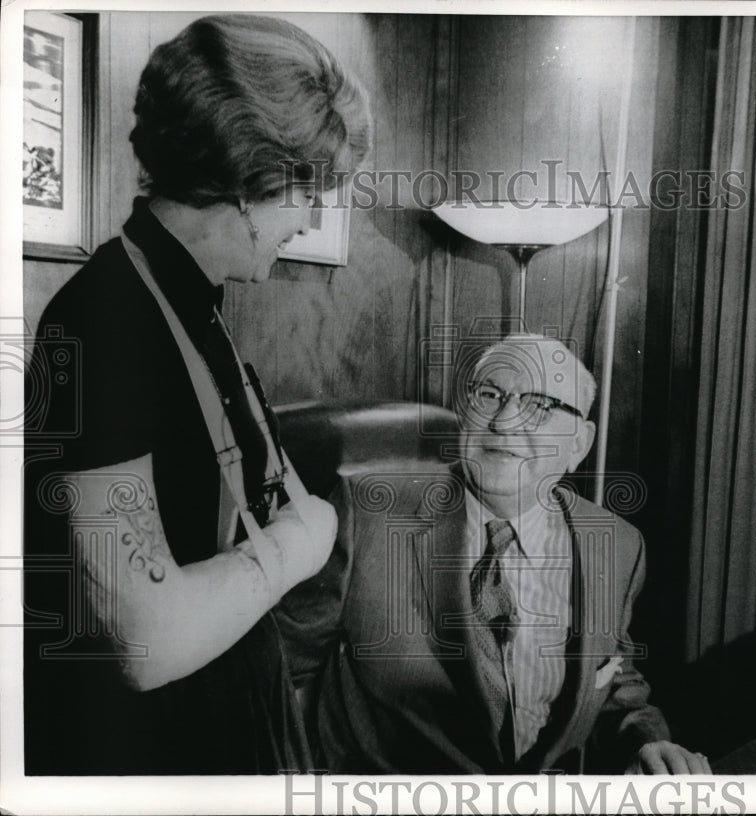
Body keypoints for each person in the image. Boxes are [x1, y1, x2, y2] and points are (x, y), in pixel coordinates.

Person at [23, 14, 370, 774]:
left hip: (228, 720)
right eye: (308, 192)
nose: (311, 218)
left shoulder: (194, 302)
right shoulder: (101, 318)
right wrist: (295, 545)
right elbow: (150, 640)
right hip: (147, 754)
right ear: (250, 178)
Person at [278, 334, 711, 774]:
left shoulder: (617, 545)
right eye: (490, 394)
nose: (504, 421)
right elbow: (280, 674)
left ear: (578, 444)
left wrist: (646, 743)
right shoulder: (368, 512)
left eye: (540, 405)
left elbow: (615, 683)